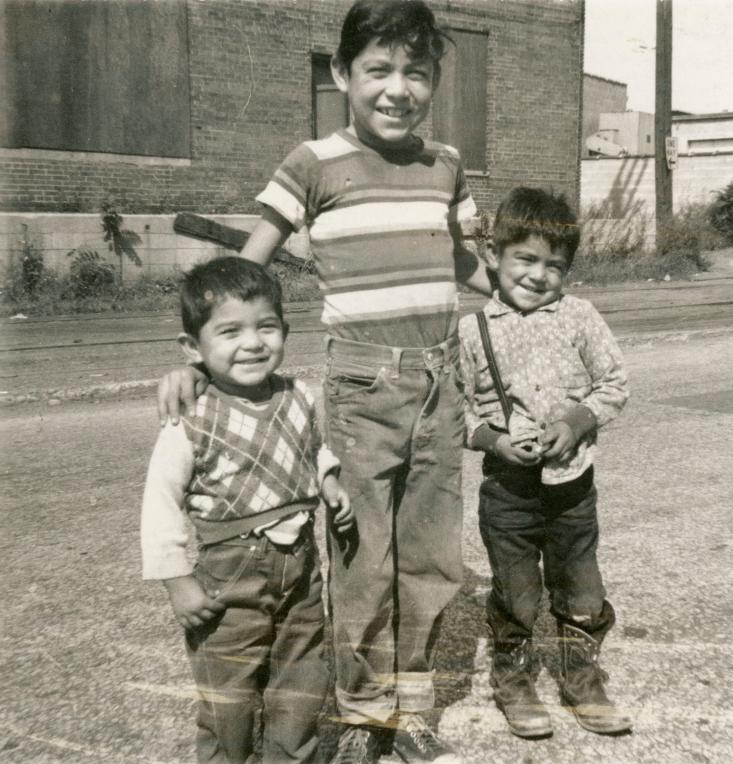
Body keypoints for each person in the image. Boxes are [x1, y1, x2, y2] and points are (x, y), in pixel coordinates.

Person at [156, 2, 491, 762]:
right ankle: (367, 712)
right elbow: (248, 269)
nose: (397, 88)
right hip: (362, 388)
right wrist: (194, 361)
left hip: (442, 382)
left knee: (433, 559)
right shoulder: (312, 162)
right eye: (378, 70)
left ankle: (411, 708)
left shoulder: (445, 164)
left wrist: (524, 294)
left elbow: (463, 263)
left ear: (433, 80)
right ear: (342, 74)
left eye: (416, 72)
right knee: (364, 561)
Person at [141, 256, 353, 762]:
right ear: (193, 348)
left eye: (267, 327)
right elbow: (160, 502)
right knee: (228, 691)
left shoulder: (298, 393)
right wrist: (177, 581)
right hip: (228, 573)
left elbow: (309, 446)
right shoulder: (190, 416)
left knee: (302, 675)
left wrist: (328, 480)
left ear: (284, 330)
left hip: (301, 569)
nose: (253, 343)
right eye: (230, 331)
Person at [458, 187, 632, 740]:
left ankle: (581, 677)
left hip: (572, 487)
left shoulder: (579, 317)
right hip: (508, 491)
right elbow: (453, 408)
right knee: (516, 592)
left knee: (581, 587)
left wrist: (577, 422)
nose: (538, 275)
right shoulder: (472, 330)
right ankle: (512, 679)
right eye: (525, 260)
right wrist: (491, 439)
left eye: (554, 266)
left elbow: (615, 384)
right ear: (495, 256)